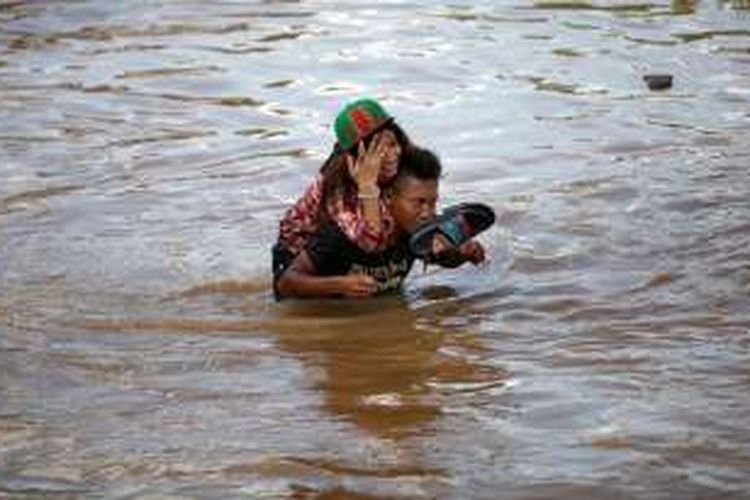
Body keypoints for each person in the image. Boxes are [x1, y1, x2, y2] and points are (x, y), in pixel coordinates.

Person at [274, 146, 485, 299]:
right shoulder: (344, 231)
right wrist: (339, 285)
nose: (427, 213)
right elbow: (286, 284)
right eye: (419, 202)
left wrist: (462, 255)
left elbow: (440, 257)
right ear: (388, 198)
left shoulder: (417, 228)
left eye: (432, 202)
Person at [272, 98, 413, 285]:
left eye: (392, 144)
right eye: (376, 149)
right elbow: (369, 242)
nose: (391, 155)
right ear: (355, 158)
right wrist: (368, 187)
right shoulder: (335, 185)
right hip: (303, 258)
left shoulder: (406, 167)